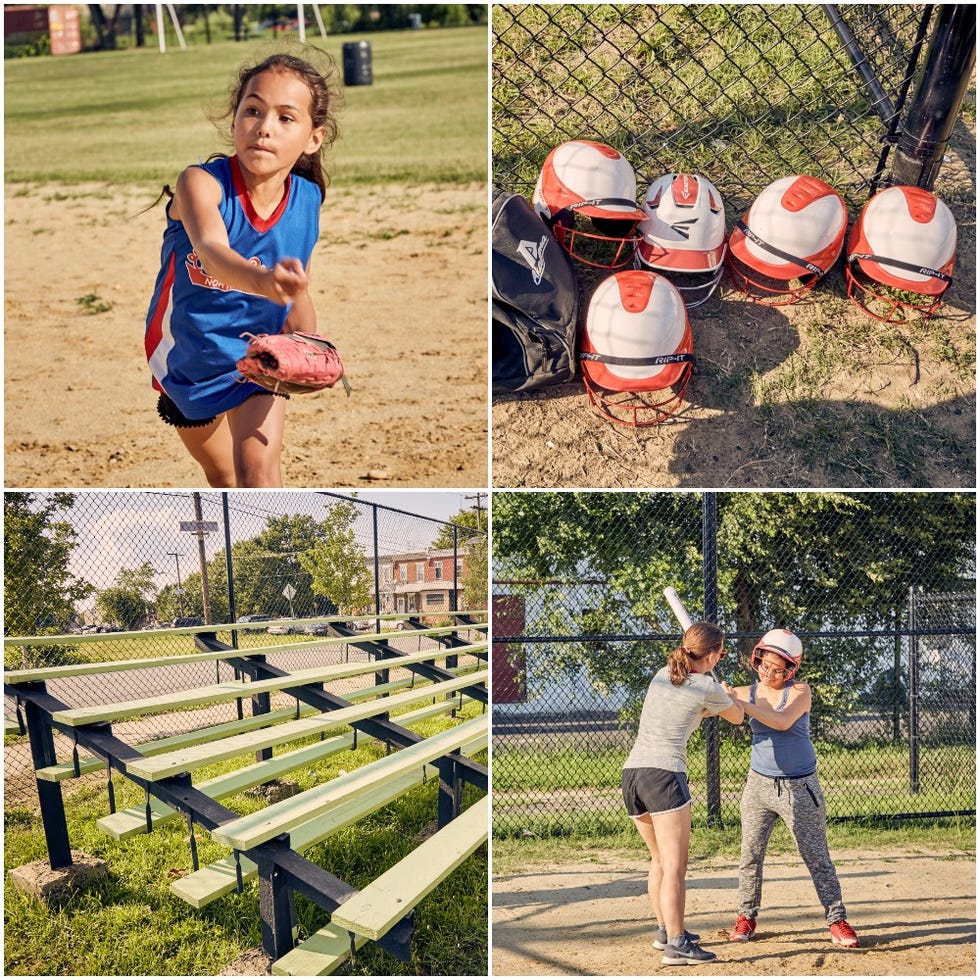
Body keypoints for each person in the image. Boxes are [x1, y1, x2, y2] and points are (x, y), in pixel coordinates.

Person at [144, 49, 340, 487]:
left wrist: (308, 343)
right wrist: (264, 281)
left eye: (286, 118)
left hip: (258, 358)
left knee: (259, 478)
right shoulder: (199, 183)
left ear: (314, 137)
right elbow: (213, 251)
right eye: (253, 110)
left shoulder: (306, 200)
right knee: (223, 477)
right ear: (235, 119)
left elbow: (295, 296)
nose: (265, 127)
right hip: (189, 357)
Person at [721, 628, 860, 948]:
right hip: (758, 785)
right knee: (750, 854)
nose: (769, 672)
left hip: (801, 787)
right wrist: (719, 696)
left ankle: (837, 920)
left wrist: (737, 700)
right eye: (765, 664)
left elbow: (781, 721)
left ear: (790, 669)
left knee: (816, 855)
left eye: (778, 668)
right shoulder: (743, 691)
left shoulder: (800, 690)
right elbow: (729, 716)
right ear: (757, 660)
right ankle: (746, 915)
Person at [621, 621, 744, 966]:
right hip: (664, 774)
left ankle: (666, 931)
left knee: (659, 860)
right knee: (675, 866)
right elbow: (736, 718)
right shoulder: (706, 685)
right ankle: (677, 944)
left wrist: (715, 696)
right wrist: (729, 696)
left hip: (632, 774)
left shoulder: (663, 674)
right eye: (720, 652)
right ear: (715, 654)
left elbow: (692, 710)